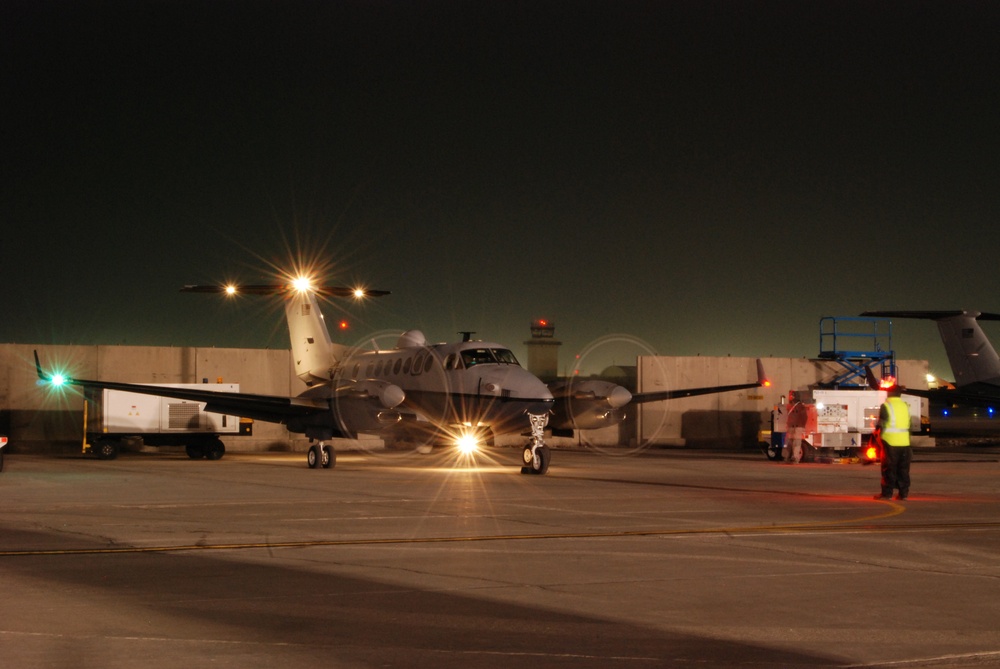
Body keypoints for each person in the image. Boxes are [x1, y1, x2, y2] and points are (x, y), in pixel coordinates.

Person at [875, 383, 912, 500]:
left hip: (890, 441)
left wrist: (876, 433)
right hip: (905, 442)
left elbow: (882, 423)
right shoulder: (905, 405)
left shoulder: (886, 405)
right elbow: (909, 424)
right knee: (904, 469)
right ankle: (903, 494)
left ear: (889, 393)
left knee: (889, 469)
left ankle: (887, 493)